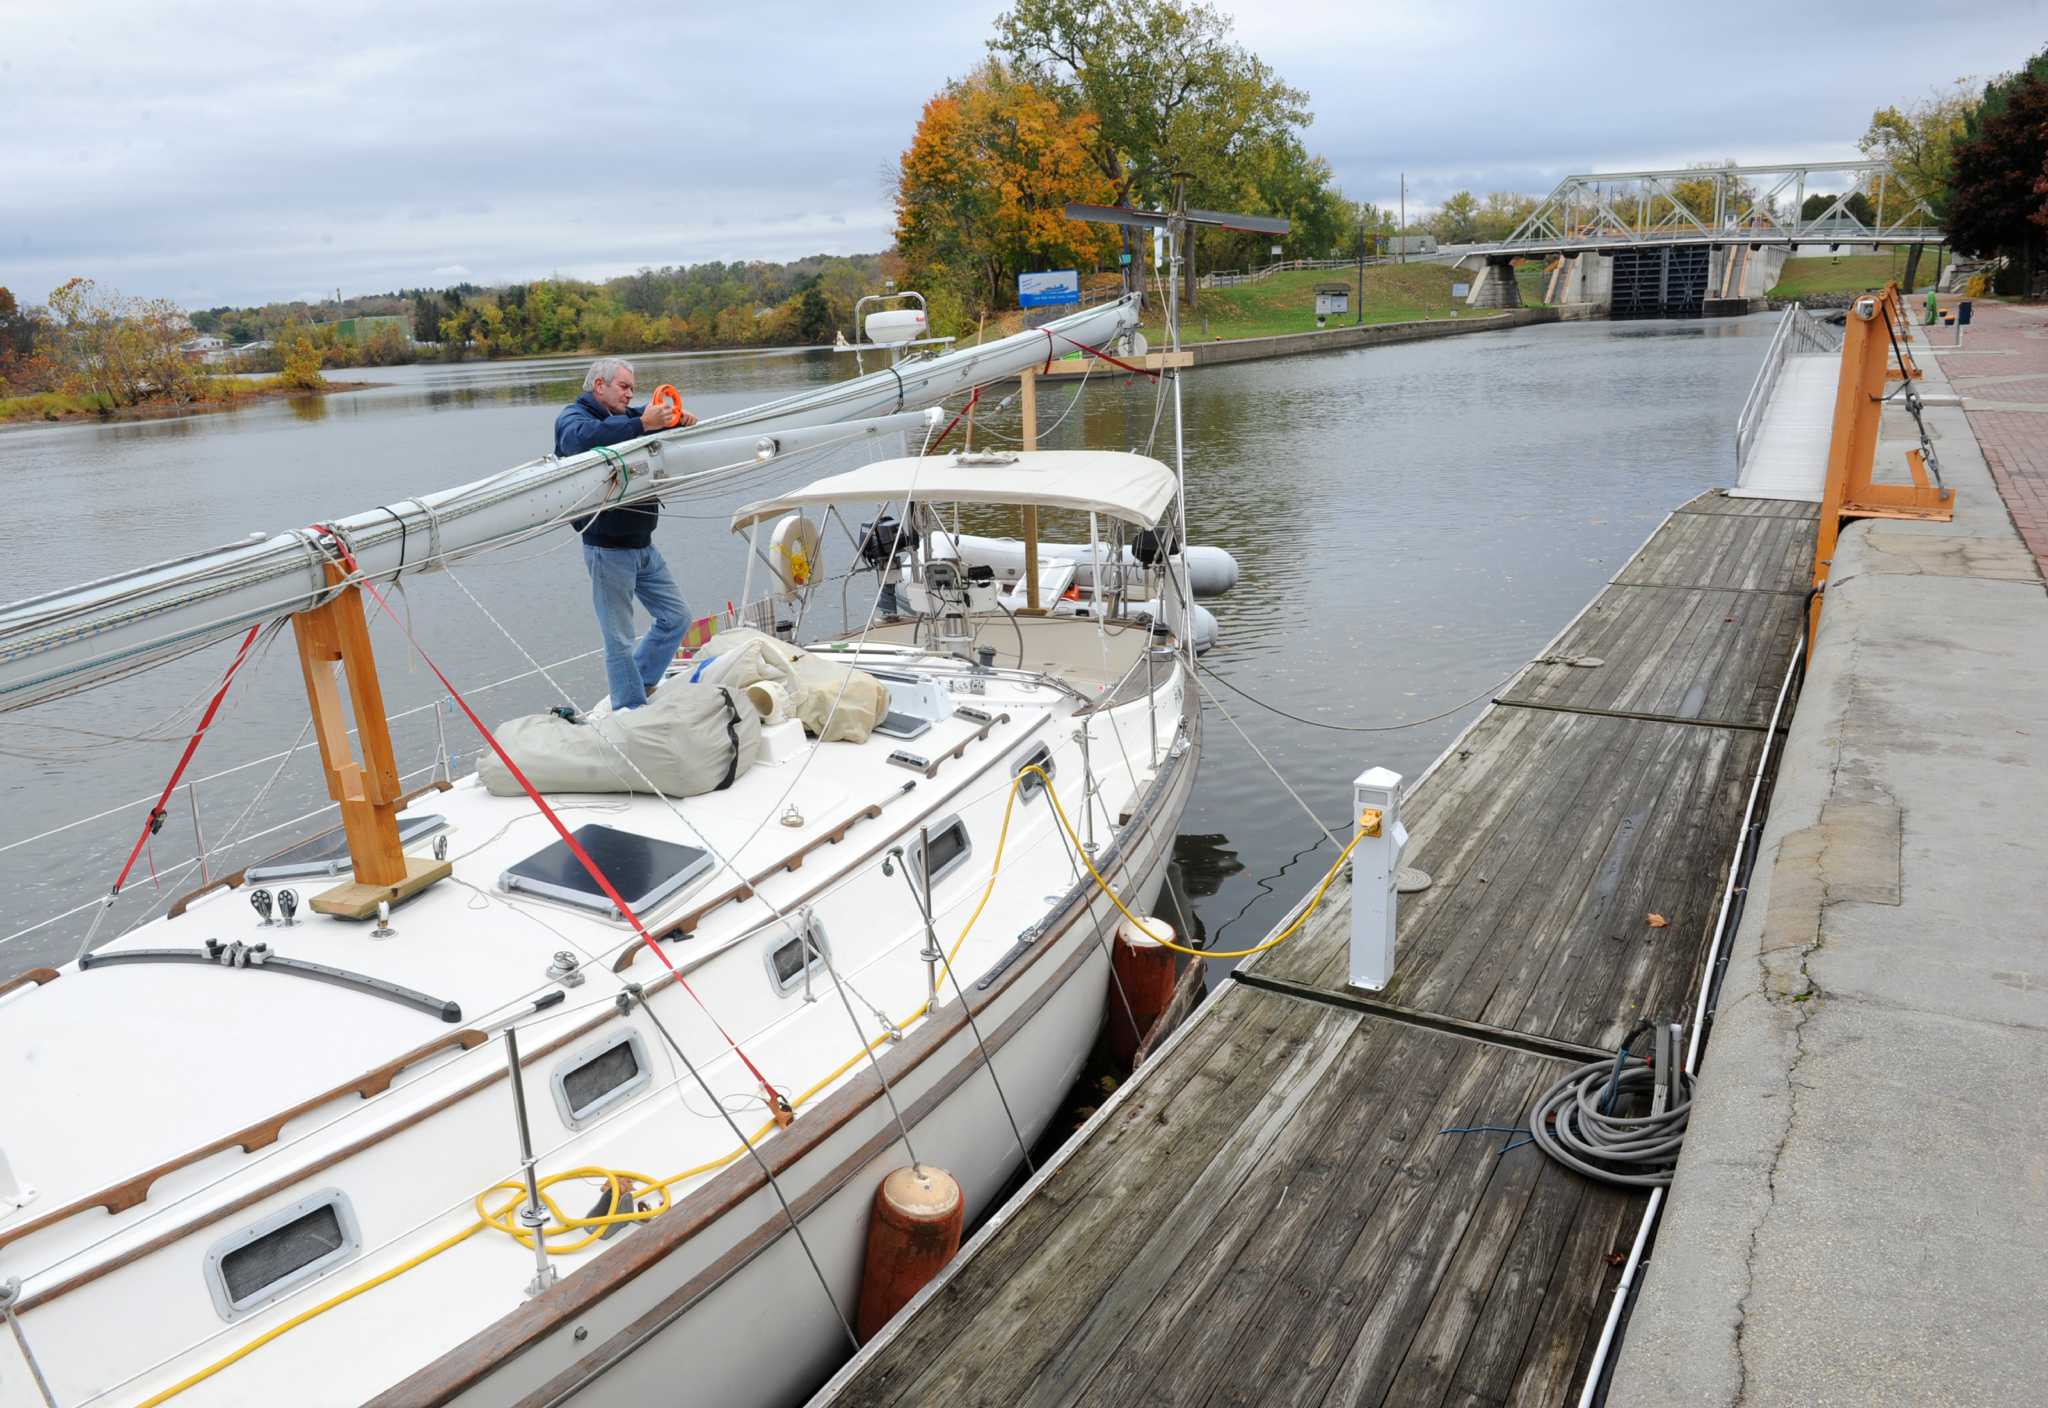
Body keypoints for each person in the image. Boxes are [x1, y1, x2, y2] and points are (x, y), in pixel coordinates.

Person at [555, 357, 698, 711]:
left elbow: (637, 421)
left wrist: (673, 422)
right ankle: (630, 709)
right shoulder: (573, 419)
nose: (631, 393)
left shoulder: (624, 418)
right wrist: (644, 422)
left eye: (633, 387)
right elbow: (582, 440)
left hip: (643, 545)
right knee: (618, 638)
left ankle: (641, 680)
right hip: (607, 550)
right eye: (624, 386)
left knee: (676, 617)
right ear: (599, 386)